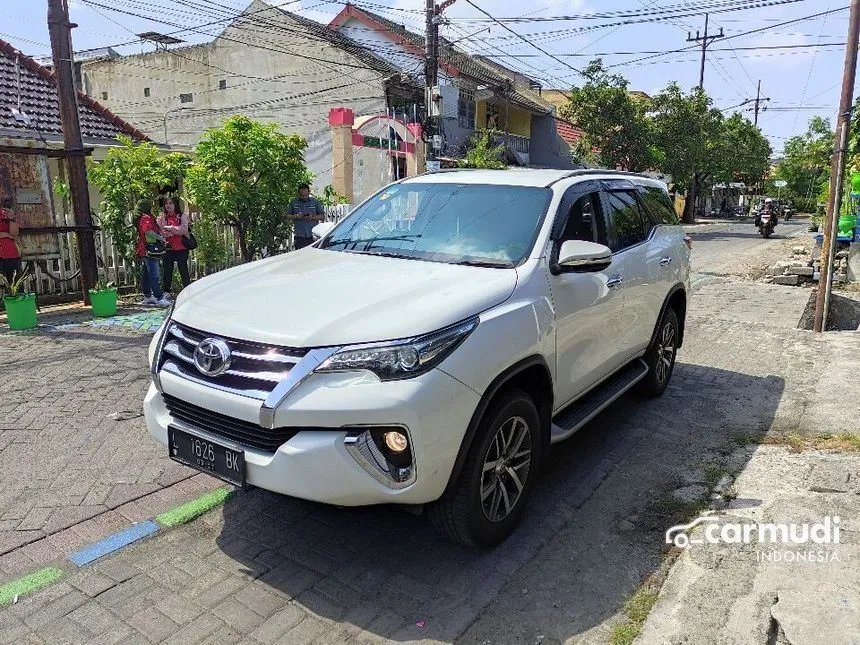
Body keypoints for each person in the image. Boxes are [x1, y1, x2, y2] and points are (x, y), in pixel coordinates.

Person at [135, 199, 170, 307]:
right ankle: (159, 298)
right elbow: (148, 232)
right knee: (154, 275)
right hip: (149, 249)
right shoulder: (146, 218)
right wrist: (161, 238)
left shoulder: (141, 217)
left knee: (146, 273)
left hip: (143, 249)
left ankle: (148, 296)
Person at [157, 196, 191, 298]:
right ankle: (166, 292)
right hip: (168, 248)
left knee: (183, 269)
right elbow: (161, 233)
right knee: (167, 270)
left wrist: (170, 228)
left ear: (175, 204)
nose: (168, 205)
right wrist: (176, 231)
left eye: (171, 203)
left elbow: (184, 230)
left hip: (182, 247)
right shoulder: (161, 218)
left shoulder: (182, 217)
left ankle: (188, 291)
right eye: (166, 203)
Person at [287, 183, 325, 250]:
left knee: (313, 257)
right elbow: (287, 216)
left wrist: (313, 217)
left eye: (306, 195)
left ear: (309, 192)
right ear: (298, 193)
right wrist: (296, 216)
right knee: (300, 257)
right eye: (302, 195)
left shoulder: (315, 202)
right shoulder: (293, 202)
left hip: (313, 236)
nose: (304, 197)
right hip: (299, 236)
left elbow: (323, 216)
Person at [0, 196, 22, 286]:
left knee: (14, 286)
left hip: (11, 254)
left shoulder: (6, 213)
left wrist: (12, 218)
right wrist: (6, 235)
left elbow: (14, 234)